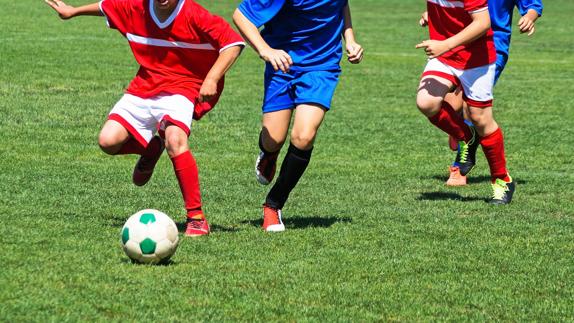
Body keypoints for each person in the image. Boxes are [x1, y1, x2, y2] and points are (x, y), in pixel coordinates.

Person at [45, 0, 244, 236]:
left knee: (175, 139)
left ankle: (196, 217)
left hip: (184, 86)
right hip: (145, 85)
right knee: (107, 141)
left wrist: (211, 78)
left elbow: (233, 43)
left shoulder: (193, 14)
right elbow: (105, 7)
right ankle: (151, 149)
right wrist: (73, 11)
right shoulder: (135, 7)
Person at [233, 0, 363, 232]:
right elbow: (241, 16)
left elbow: (341, 5)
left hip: (322, 66)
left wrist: (350, 39)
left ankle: (273, 205)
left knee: (304, 136)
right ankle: (269, 153)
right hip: (282, 63)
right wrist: (265, 50)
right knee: (273, 139)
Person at [427, 0, 543, 186]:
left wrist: (529, 17)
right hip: (460, 42)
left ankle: (461, 165)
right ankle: (463, 132)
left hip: (493, 46)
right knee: (448, 102)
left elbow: (533, 5)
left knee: (470, 108)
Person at [416, 0, 515, 204]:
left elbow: (483, 22)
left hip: (476, 59)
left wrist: (445, 44)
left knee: (481, 120)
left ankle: (502, 180)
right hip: (444, 57)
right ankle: (466, 135)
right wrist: (431, 14)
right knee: (427, 102)